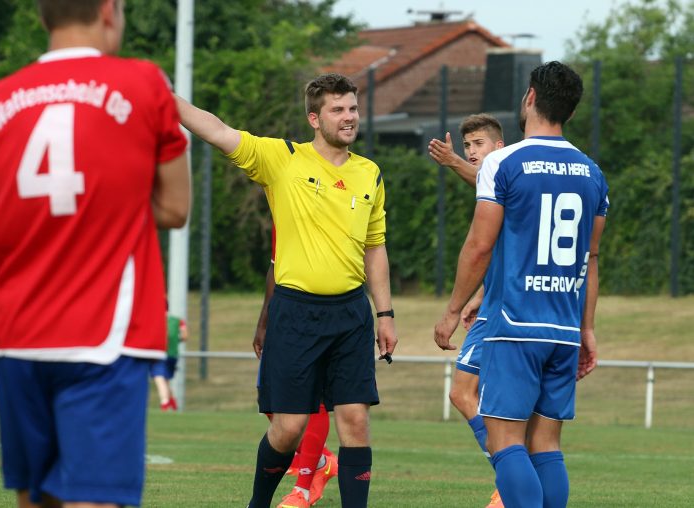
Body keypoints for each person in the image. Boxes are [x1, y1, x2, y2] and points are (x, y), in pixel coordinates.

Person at [0, 1, 191, 506]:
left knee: (36, 497)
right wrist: (104, 205)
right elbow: (175, 209)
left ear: (44, 17)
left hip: (16, 338)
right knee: (93, 498)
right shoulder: (143, 83)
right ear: (110, 11)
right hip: (105, 338)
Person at [176, 72, 398, 508]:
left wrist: (385, 314)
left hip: (351, 314)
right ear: (315, 118)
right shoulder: (282, 158)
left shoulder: (369, 173)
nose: (349, 117)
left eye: (352, 107)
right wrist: (162, 98)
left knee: (355, 420)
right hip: (296, 313)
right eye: (338, 110)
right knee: (290, 427)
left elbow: (375, 249)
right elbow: (217, 130)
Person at [434, 61, 608, 508]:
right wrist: (587, 330)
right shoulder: (593, 173)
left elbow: (479, 245)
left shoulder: (503, 163)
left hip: (515, 325)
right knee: (547, 447)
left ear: (530, 98)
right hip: (564, 329)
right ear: (568, 111)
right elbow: (591, 260)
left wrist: (453, 310)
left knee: (506, 441)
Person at [429, 114, 506, 508]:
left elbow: (482, 245)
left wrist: (453, 162)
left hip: (508, 308)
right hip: (495, 301)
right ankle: (511, 478)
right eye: (467, 146)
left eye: (478, 144)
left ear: (499, 145)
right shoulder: (507, 181)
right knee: (472, 395)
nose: (471, 151)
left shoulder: (507, 172)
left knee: (465, 393)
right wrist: (479, 295)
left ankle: (510, 480)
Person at [253, 227, 338, 507]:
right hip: (285, 312)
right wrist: (265, 319)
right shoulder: (285, 202)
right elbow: (275, 265)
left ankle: (302, 488)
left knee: (314, 398)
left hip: (324, 309)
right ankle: (322, 459)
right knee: (269, 400)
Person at [153, 312, 188, 411]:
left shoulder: (156, 319)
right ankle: (172, 401)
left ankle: (164, 402)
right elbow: (185, 336)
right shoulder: (178, 320)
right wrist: (175, 341)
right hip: (173, 354)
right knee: (165, 379)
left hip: (160, 353)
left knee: (158, 376)